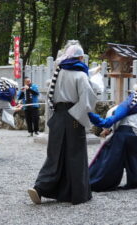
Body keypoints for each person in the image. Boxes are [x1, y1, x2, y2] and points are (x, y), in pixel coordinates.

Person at [28, 41, 97, 205]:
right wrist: (80, 117)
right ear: (80, 58)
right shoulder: (80, 75)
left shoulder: (58, 74)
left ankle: (40, 187)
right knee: (76, 155)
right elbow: (87, 100)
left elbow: (50, 97)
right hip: (73, 116)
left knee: (55, 155)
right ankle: (77, 194)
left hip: (58, 117)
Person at [88, 84, 137, 192]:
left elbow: (116, 123)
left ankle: (98, 182)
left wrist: (109, 130)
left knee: (111, 163)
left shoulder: (123, 112)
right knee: (135, 160)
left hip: (118, 137)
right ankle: (136, 181)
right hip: (132, 139)